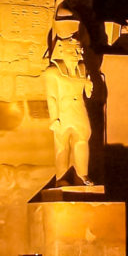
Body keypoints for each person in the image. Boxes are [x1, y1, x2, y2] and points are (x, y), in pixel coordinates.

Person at [45, 34, 94, 186]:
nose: (77, 54)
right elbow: (51, 97)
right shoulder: (52, 72)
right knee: (62, 145)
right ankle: (61, 178)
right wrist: (54, 119)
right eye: (73, 51)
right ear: (61, 51)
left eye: (79, 51)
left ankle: (83, 175)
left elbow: (87, 94)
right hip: (63, 113)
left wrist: (88, 85)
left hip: (79, 111)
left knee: (82, 141)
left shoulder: (82, 69)